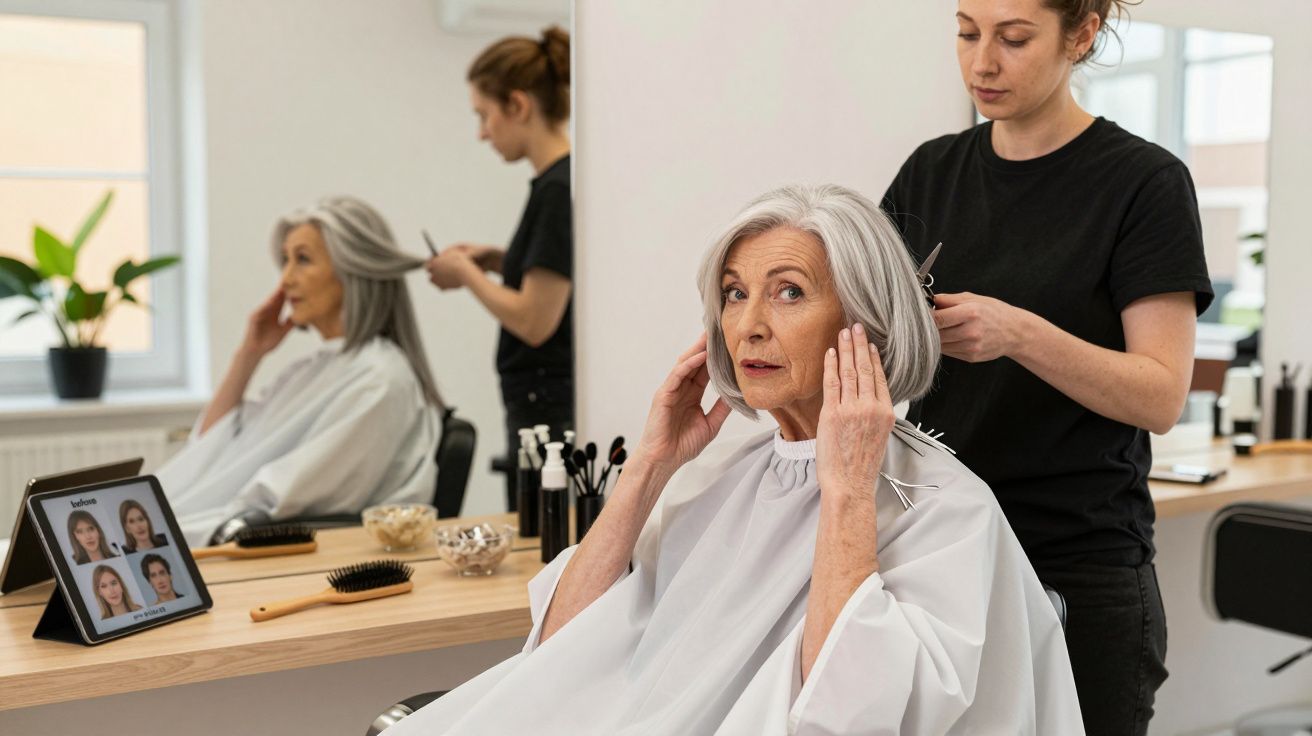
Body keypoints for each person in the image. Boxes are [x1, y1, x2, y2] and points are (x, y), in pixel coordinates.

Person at [386, 185, 1083, 735]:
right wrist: (650, 467)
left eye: (788, 291)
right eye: (733, 292)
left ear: (865, 323)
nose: (748, 323)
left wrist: (844, 492)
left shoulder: (944, 508)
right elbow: (559, 650)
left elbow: (851, 717)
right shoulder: (721, 477)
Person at [880, 2, 1213, 733]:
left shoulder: (1143, 185)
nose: (982, 63)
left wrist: (1021, 334)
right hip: (944, 552)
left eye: (1014, 38)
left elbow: (1160, 394)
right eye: (967, 33)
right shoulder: (930, 173)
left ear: (1083, 33)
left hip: (1076, 569)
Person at [155, 196, 442, 546]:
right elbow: (212, 449)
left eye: (303, 260)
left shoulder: (379, 379)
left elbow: (281, 498)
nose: (286, 280)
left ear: (353, 270)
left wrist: (168, 537)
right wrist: (249, 354)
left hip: (245, 544)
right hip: (212, 524)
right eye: (285, 261)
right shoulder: (312, 369)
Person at [426, 26, 573, 511]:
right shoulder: (556, 184)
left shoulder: (557, 190)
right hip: (539, 406)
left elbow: (535, 320)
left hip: (546, 411)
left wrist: (467, 276)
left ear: (518, 105)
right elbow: (555, 277)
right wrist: (498, 262)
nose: (482, 133)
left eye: (484, 116)